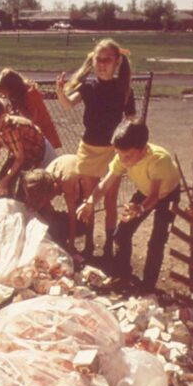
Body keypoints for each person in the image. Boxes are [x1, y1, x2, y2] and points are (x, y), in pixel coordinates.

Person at [76, 119, 180, 293]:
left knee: (156, 242)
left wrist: (139, 209)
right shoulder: (122, 157)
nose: (123, 161)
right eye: (120, 155)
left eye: (128, 156)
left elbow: (155, 196)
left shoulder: (159, 160)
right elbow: (105, 184)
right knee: (121, 234)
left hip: (167, 194)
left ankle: (147, 285)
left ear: (143, 149)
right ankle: (123, 274)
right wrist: (90, 202)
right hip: (145, 190)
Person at [56, 38, 136, 263]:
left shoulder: (123, 88)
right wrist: (61, 92)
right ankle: (89, 244)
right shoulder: (88, 86)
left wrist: (130, 140)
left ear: (117, 61)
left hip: (113, 152)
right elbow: (68, 104)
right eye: (98, 60)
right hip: (89, 149)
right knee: (89, 200)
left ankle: (109, 245)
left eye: (107, 60)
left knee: (110, 202)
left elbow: (131, 118)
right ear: (93, 60)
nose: (102, 64)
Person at [0, 94, 56, 200]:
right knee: (0, 181)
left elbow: (20, 159)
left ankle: (27, 210)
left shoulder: (12, 128)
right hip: (20, 152)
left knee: (25, 187)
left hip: (39, 152)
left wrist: (5, 181)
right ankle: (7, 206)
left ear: (3, 116)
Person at [19, 155, 84, 258]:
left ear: (50, 193)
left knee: (82, 220)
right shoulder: (43, 176)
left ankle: (89, 244)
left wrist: (71, 246)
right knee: (46, 216)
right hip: (64, 168)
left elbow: (72, 217)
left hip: (83, 176)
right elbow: (43, 206)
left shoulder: (67, 183)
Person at [0, 68, 61, 151]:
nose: (3, 95)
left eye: (5, 92)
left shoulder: (31, 94)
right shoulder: (17, 98)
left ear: (12, 88)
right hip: (31, 136)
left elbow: (33, 119)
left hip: (43, 134)